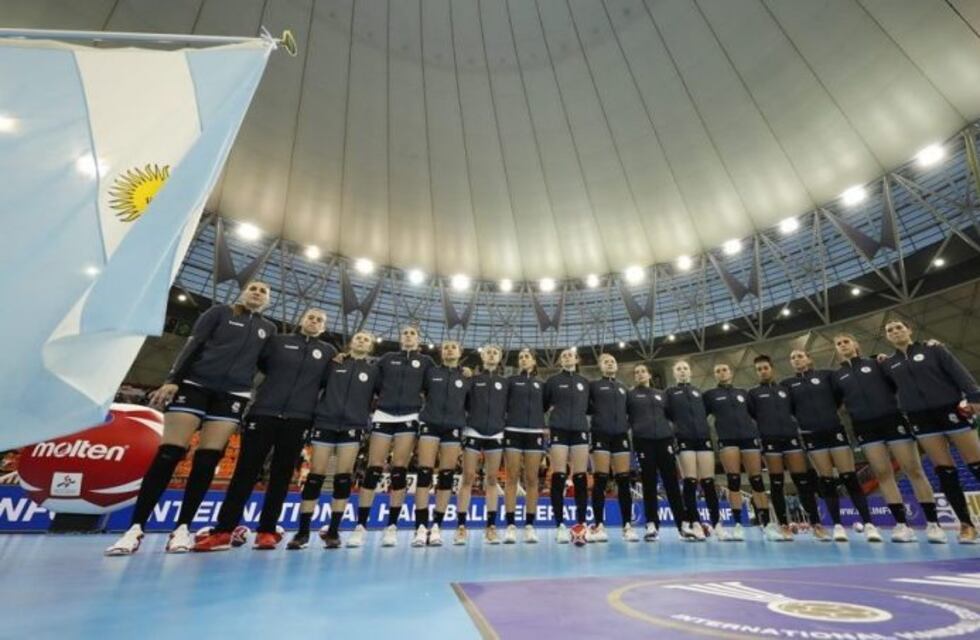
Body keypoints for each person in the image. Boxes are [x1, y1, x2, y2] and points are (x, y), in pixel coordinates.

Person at [106, 281, 276, 555]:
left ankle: (182, 528)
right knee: (169, 453)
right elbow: (193, 344)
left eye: (263, 291)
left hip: (234, 394)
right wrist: (174, 379)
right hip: (194, 385)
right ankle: (135, 529)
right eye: (253, 288)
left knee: (208, 459)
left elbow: (269, 364)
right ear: (243, 293)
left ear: (268, 300)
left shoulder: (269, 329)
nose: (257, 292)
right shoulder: (219, 313)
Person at [194, 309, 335, 552]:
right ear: (301, 320)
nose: (314, 321)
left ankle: (267, 531)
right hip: (264, 412)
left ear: (324, 327)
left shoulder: (328, 353)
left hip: (298, 419)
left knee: (282, 477)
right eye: (310, 317)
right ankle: (223, 531)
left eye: (319, 320)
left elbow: (326, 382)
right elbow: (262, 365)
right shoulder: (278, 342)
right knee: (244, 473)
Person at [832, 333, 945, 543]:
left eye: (846, 341)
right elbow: (836, 403)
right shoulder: (838, 376)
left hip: (893, 420)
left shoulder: (878, 363)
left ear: (856, 344)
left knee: (913, 469)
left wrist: (929, 344)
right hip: (864, 427)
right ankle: (902, 525)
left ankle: (933, 524)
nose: (843, 345)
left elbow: (900, 378)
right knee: (883, 473)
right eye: (838, 344)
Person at [883, 319, 980, 544]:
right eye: (890, 330)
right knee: (944, 470)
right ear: (887, 337)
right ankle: (966, 525)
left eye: (899, 327)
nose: (895, 332)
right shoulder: (888, 364)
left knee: (975, 463)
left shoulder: (933, 349)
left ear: (909, 330)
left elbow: (959, 373)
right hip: (920, 419)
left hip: (951, 409)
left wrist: (974, 396)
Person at [288, 331, 378, 549]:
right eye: (358, 337)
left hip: (352, 426)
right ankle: (302, 533)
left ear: (370, 347)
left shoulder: (374, 371)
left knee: (343, 477)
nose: (362, 340)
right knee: (315, 476)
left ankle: (334, 531)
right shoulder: (333, 363)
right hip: (325, 423)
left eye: (366, 339)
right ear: (351, 342)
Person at [352, 325, 434, 547]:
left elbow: (434, 386)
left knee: (399, 469)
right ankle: (360, 526)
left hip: (409, 416)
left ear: (419, 339)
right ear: (400, 338)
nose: (408, 335)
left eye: (413, 333)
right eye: (405, 333)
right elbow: (374, 383)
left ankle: (392, 527)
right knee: (373, 468)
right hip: (384, 414)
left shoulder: (426, 362)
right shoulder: (387, 358)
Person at [784, 349, 874, 542]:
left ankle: (869, 524)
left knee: (849, 476)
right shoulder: (788, 384)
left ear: (809, 358)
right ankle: (837, 526)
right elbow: (790, 409)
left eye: (800, 356)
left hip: (835, 430)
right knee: (826, 480)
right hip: (811, 435)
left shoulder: (827, 375)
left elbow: (839, 397)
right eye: (792, 358)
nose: (796, 359)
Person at [747, 355, 821, 542]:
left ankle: (817, 524)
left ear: (772, 368)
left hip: (791, 438)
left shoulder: (786, 389)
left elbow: (795, 409)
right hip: (770, 440)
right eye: (759, 369)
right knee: (777, 482)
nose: (763, 371)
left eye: (765, 367)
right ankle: (783, 525)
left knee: (802, 481)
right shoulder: (753, 393)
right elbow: (752, 415)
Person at [411, 341, 469, 547]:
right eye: (446, 347)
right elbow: (420, 391)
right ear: (441, 352)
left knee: (446, 475)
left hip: (453, 427)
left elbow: (470, 403)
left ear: (460, 352)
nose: (450, 349)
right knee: (424, 473)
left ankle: (436, 526)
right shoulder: (431, 372)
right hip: (430, 423)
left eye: (454, 347)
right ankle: (419, 527)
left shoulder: (466, 377)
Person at [702, 363, 767, 541]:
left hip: (749, 438)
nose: (721, 373)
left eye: (724, 370)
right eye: (717, 370)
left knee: (757, 480)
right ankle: (738, 524)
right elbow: (701, 417)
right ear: (714, 375)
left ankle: (767, 523)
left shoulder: (743, 393)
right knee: (734, 480)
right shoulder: (710, 395)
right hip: (727, 440)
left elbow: (756, 414)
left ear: (731, 372)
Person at [455, 345, 508, 545]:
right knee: (468, 477)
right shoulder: (472, 380)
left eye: (496, 352)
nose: (492, 354)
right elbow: (462, 399)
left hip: (496, 433)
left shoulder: (505, 383)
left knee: (492, 479)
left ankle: (491, 527)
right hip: (473, 431)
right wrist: (464, 374)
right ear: (482, 356)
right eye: (488, 352)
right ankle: (461, 527)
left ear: (500, 357)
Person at [627, 363, 685, 541]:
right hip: (643, 442)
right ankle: (651, 524)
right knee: (649, 484)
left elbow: (672, 416)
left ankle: (683, 525)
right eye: (636, 372)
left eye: (643, 371)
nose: (640, 374)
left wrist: (673, 437)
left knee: (672, 484)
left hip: (664, 441)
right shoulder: (630, 395)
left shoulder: (662, 395)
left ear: (649, 374)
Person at [664, 360, 717, 541]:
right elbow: (667, 414)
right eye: (679, 368)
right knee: (690, 481)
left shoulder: (698, 393)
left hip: (703, 439)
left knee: (708, 481)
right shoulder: (670, 393)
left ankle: (717, 524)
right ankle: (695, 522)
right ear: (674, 373)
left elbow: (705, 413)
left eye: (685, 368)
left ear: (690, 372)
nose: (682, 371)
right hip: (684, 439)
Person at [587, 354, 638, 542]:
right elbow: (584, 407)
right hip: (600, 433)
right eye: (606, 361)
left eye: (613, 361)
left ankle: (627, 525)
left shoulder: (624, 388)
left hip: (621, 436)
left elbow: (632, 412)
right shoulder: (593, 386)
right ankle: (599, 525)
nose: (610, 363)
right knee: (600, 479)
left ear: (617, 366)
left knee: (623, 480)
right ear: (600, 366)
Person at [544, 348, 591, 544]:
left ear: (576, 358)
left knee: (580, 475)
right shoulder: (553, 381)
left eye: (570, 355)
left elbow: (589, 407)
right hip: (559, 430)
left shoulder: (584, 382)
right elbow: (544, 405)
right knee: (559, 474)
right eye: (563, 356)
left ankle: (580, 524)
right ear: (560, 361)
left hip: (580, 429)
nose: (567, 357)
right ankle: (560, 525)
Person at [502, 348, 546, 544]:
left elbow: (545, 407)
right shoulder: (510, 382)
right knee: (512, 477)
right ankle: (510, 525)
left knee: (532, 480)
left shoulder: (541, 385)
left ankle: (529, 525)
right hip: (513, 430)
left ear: (534, 361)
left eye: (527, 356)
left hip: (534, 433)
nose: (523, 359)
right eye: (520, 357)